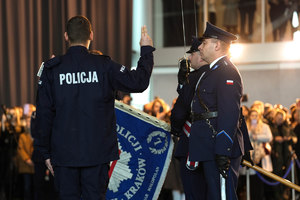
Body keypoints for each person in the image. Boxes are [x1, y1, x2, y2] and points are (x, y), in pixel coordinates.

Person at [34, 15, 154, 200]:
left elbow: (43, 114)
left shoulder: (53, 69)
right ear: (91, 35)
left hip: (64, 155)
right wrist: (146, 50)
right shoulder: (104, 66)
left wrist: (45, 152)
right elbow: (138, 82)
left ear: (66, 36)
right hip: (97, 154)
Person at [182, 22, 251, 200]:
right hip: (207, 145)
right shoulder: (210, 72)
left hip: (217, 147)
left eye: (204, 43)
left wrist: (223, 149)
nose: (200, 46)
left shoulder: (227, 72)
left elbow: (229, 114)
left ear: (217, 45)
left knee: (222, 196)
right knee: (214, 195)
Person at [171, 37, 210, 199]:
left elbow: (181, 110)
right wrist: (182, 83)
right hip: (212, 146)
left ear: (200, 55)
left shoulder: (194, 77)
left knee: (194, 192)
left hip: (192, 146)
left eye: (192, 54)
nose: (188, 58)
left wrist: (175, 129)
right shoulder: (217, 74)